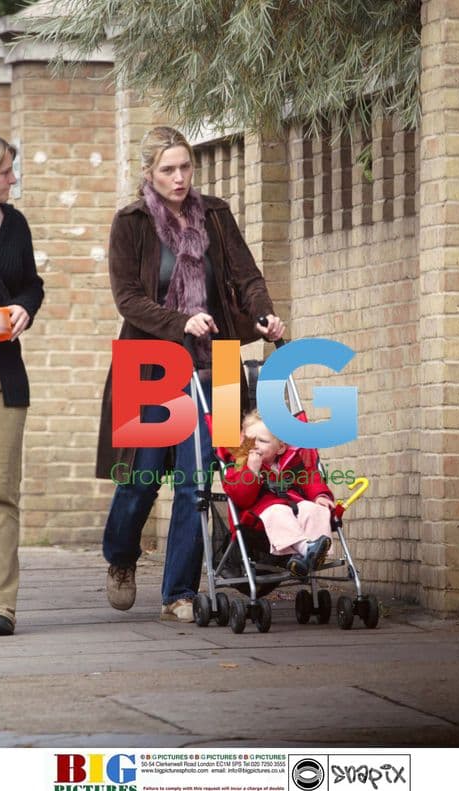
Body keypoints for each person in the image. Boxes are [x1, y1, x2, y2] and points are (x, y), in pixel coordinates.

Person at [96, 125, 284, 622]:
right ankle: (119, 556)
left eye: (185, 167)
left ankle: (178, 592)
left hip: (216, 364)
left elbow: (246, 277)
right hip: (152, 366)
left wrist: (263, 315)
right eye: (168, 169)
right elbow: (128, 299)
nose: (180, 178)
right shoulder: (131, 222)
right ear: (149, 173)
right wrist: (182, 322)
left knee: (196, 480)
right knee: (140, 477)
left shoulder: (216, 215)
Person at [0, 134, 44, 636]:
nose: (13, 179)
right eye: (5, 171)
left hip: (1, 375)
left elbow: (31, 282)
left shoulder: (15, 225)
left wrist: (25, 304)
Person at [222, 411, 335, 578]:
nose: (254, 445)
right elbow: (240, 497)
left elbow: (310, 478)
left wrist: (321, 496)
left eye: (262, 441)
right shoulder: (239, 465)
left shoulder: (292, 461)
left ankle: (316, 553)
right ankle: (305, 550)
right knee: (278, 511)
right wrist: (251, 471)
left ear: (280, 447)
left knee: (313, 509)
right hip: (258, 517)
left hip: (292, 506)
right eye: (250, 440)